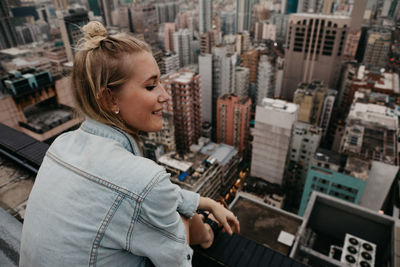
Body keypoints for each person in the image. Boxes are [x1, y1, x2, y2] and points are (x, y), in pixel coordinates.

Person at [19, 21, 239, 267]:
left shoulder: (61, 145)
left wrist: (203, 202)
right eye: (151, 86)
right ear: (110, 98)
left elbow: (134, 193)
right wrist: (199, 228)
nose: (165, 96)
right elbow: (175, 255)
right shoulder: (143, 179)